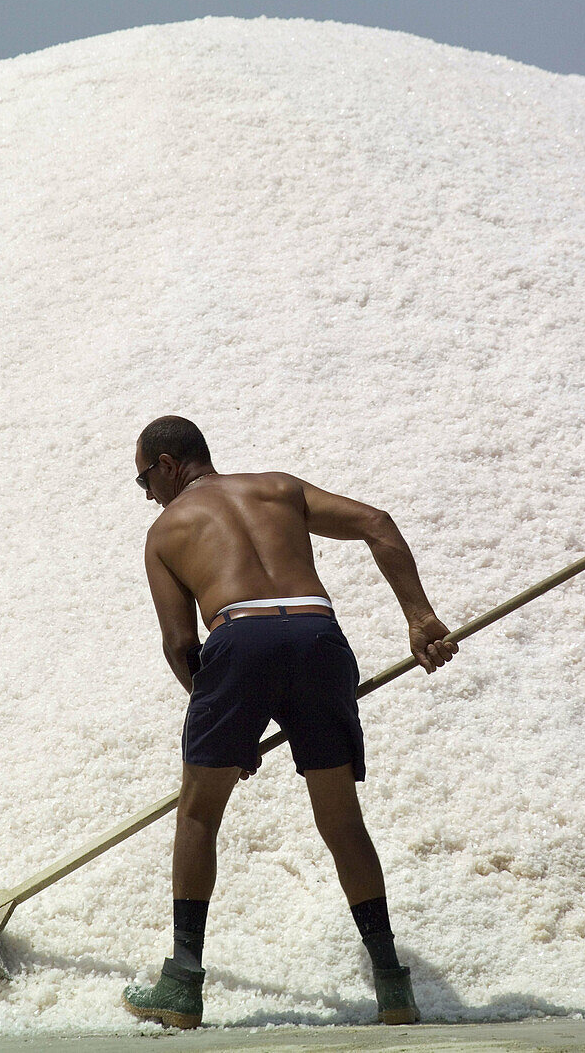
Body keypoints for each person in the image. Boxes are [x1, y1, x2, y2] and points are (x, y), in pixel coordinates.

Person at [123, 416, 457, 1028]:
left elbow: (179, 644)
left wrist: (226, 721)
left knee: (199, 813)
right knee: (340, 818)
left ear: (168, 464)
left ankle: (182, 987)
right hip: (316, 636)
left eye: (143, 476)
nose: (145, 492)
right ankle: (393, 987)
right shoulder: (279, 488)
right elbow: (375, 523)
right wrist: (419, 616)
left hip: (239, 641)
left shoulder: (166, 529)